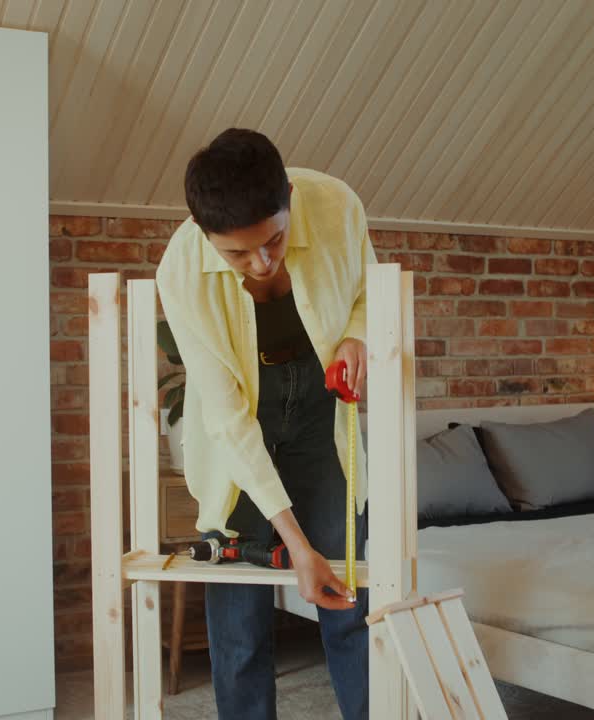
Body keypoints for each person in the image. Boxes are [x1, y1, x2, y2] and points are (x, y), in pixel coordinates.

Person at [156, 128, 374, 720]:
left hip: (323, 401)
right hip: (241, 410)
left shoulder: (336, 205)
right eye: (237, 253)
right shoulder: (179, 272)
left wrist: (355, 336)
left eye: (274, 240)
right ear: (205, 236)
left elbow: (368, 292)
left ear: (290, 200)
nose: (262, 261)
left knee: (350, 598)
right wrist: (295, 546)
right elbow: (228, 417)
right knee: (239, 620)